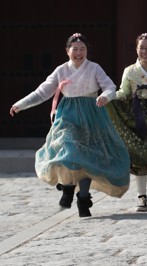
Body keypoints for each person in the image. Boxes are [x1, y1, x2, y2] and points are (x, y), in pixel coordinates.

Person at [9, 33, 130, 217]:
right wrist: (21, 104)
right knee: (68, 148)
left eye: (83, 49)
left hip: (92, 115)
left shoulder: (94, 68)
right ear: (67, 51)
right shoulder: (61, 70)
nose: (79, 53)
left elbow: (110, 87)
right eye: (75, 49)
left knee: (88, 158)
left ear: (87, 51)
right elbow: (42, 92)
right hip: (68, 115)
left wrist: (104, 96)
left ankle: (83, 198)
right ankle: (67, 188)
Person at [106, 33, 147, 212]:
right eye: (141, 48)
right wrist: (108, 97)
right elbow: (124, 93)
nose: (144, 51)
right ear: (136, 49)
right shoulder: (130, 71)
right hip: (136, 114)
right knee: (137, 153)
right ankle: (141, 196)